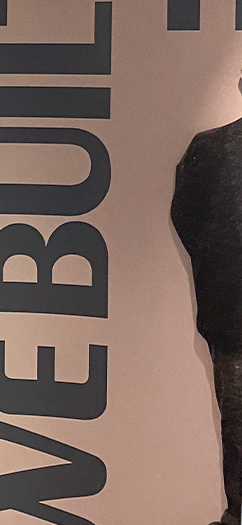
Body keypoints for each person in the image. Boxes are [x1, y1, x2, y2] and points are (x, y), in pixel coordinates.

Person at [173, 112, 242, 525]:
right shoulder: (209, 149)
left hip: (229, 310)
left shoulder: (209, 149)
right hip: (232, 315)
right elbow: (186, 216)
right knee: (236, 425)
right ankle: (236, 513)